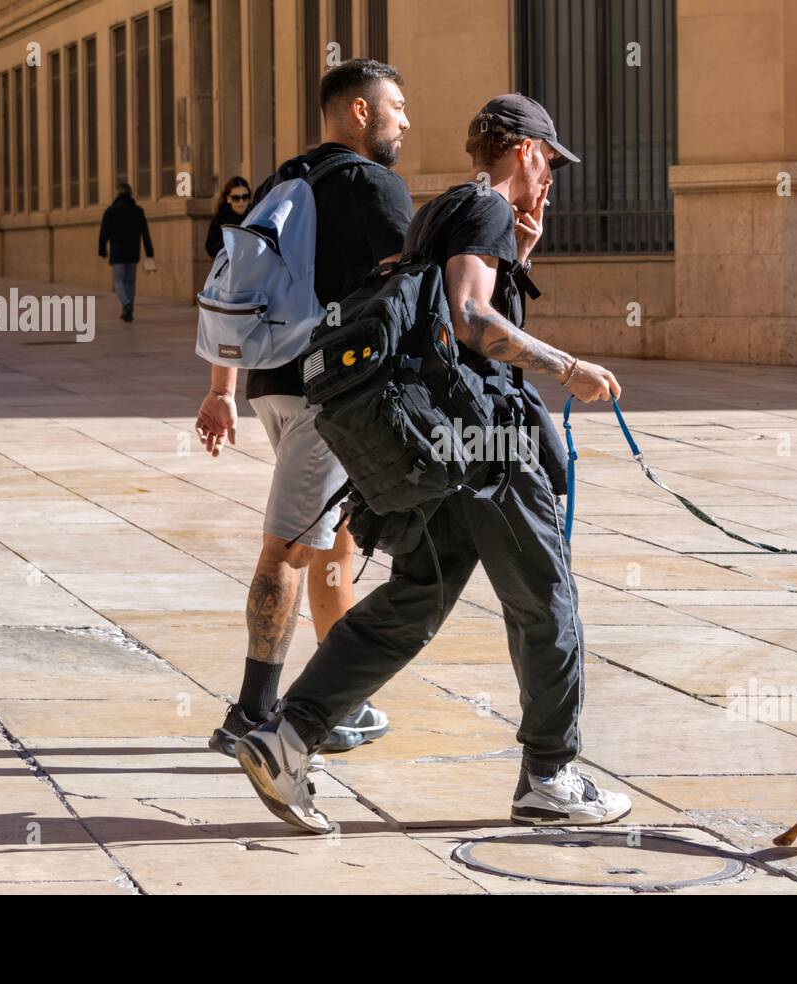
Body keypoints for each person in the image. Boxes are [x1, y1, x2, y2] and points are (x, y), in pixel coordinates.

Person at [235, 93, 632, 834]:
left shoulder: (444, 210)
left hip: (435, 444)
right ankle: (550, 776)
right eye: (550, 161)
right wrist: (568, 367)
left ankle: (287, 736)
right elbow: (471, 319)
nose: (551, 178)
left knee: (415, 598)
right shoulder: (485, 208)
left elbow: (444, 316)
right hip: (487, 445)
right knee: (545, 598)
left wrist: (523, 252)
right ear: (523, 149)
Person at [195, 59, 413, 758]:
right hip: (331, 396)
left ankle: (339, 698)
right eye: (397, 107)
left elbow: (237, 285)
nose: (406, 121)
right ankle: (253, 713)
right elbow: (414, 287)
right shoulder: (373, 184)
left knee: (333, 543)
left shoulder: (283, 180)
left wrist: (222, 388)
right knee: (289, 546)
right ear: (360, 111)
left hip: (273, 381)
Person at [97, 182, 154, 322]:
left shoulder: (111, 210)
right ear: (130, 193)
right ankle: (128, 309)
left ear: (117, 193)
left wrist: (102, 249)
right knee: (130, 281)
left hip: (117, 253)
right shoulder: (137, 210)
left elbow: (103, 232)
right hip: (133, 252)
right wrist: (149, 251)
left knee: (118, 281)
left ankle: (126, 304)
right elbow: (145, 233)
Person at [205, 176, 252, 259]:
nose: (241, 202)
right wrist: (230, 244)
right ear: (228, 198)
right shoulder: (221, 218)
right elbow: (211, 247)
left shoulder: (254, 214)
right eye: (236, 198)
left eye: (245, 197)